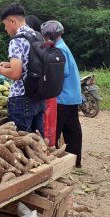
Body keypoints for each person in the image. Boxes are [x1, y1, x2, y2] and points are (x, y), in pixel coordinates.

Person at [0, 3, 45, 135]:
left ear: (12, 21)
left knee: (22, 145)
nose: (5, 29)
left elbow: (15, 74)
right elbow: (32, 63)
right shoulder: (37, 36)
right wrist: (9, 64)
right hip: (38, 96)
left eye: (5, 24)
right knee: (38, 143)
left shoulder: (17, 40)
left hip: (22, 99)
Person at [41, 20, 83, 167]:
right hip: (72, 95)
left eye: (45, 36)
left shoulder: (59, 49)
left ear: (50, 35)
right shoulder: (62, 46)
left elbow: (61, 72)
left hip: (63, 97)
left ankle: (56, 163)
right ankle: (75, 162)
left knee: (55, 131)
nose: (45, 39)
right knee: (72, 130)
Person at [25, 15, 57, 146]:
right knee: (41, 130)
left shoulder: (30, 43)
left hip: (36, 93)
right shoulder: (44, 44)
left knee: (31, 133)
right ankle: (46, 150)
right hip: (46, 93)